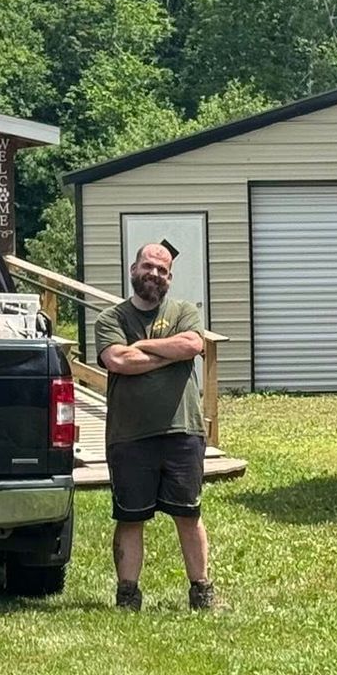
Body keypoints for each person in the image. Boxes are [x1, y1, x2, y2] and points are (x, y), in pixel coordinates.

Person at [91, 242, 215, 611]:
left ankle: (202, 591)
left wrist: (143, 346)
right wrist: (167, 352)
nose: (154, 274)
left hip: (183, 431)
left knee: (188, 513)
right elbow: (118, 360)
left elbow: (192, 344)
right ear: (133, 269)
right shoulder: (111, 318)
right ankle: (128, 594)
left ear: (170, 278)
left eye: (162, 270)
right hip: (129, 435)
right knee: (130, 517)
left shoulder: (183, 311)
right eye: (148, 267)